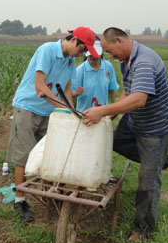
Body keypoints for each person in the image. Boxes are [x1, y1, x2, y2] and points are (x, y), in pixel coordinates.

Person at [82, 27, 168, 240]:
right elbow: (129, 89)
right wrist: (115, 112)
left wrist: (102, 110)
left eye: (109, 50)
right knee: (115, 142)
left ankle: (144, 230)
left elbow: (139, 99)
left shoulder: (143, 61)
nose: (109, 56)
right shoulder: (127, 59)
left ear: (118, 41)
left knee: (147, 180)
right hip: (134, 119)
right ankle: (158, 159)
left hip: (155, 127)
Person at [7, 27, 99, 221]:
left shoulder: (70, 61)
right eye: (82, 50)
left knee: (49, 155)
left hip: (48, 112)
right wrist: (60, 106)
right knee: (24, 156)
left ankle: (50, 196)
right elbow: (39, 85)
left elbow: (66, 90)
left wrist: (71, 113)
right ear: (74, 40)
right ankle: (20, 200)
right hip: (27, 108)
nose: (82, 54)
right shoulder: (47, 50)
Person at [71, 39, 120, 112]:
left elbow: (111, 89)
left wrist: (115, 109)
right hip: (84, 114)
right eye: (90, 54)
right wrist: (76, 93)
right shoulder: (80, 70)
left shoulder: (108, 67)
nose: (93, 57)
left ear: (101, 53)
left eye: (95, 54)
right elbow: (71, 92)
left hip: (103, 113)